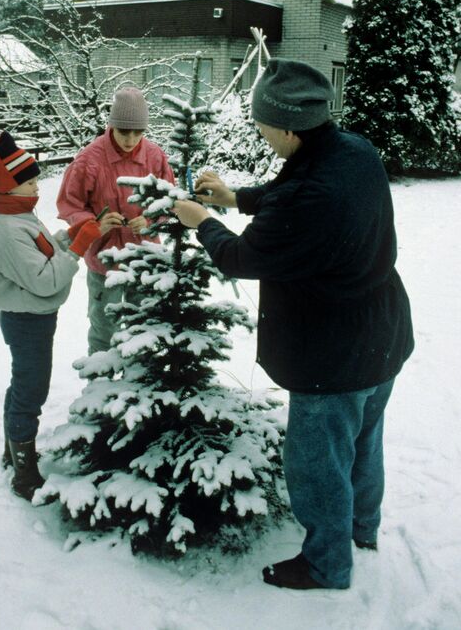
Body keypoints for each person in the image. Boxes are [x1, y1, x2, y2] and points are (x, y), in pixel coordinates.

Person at [173, 58, 414, 591]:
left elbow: (241, 257)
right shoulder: (352, 150)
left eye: (262, 126)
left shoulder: (311, 198)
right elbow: (292, 185)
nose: (260, 135)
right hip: (383, 335)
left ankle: (327, 564)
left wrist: (203, 221)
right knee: (363, 441)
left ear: (285, 126)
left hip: (333, 352)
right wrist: (237, 198)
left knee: (317, 465)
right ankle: (360, 528)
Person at [0, 130, 99, 502]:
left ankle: (12, 453)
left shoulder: (22, 219)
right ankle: (24, 475)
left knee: (22, 385)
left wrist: (69, 235)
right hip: (26, 321)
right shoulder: (10, 230)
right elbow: (45, 279)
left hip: (32, 319)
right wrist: (79, 247)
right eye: (29, 183)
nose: (36, 189)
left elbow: (43, 251)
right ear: (8, 189)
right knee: (31, 391)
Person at [56, 87, 175, 354]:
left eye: (138, 132)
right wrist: (94, 224)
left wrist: (150, 219)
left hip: (144, 257)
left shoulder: (155, 157)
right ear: (111, 126)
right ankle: (100, 386)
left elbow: (171, 200)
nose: (131, 139)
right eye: (124, 131)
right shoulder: (89, 159)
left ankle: (137, 387)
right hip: (103, 260)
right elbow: (69, 204)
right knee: (104, 328)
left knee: (142, 326)